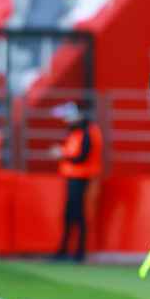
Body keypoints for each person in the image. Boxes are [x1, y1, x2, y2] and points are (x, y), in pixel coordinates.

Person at [50, 102, 103, 262]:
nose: (66, 121)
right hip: (75, 178)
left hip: (82, 178)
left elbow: (82, 156)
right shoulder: (78, 132)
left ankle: (77, 252)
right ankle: (67, 250)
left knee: (78, 214)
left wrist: (62, 154)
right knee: (71, 214)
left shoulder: (88, 132)